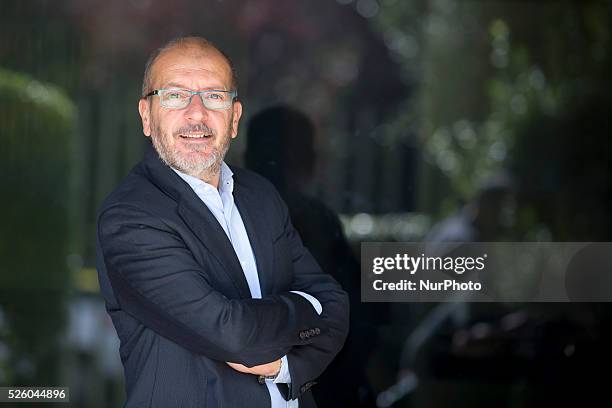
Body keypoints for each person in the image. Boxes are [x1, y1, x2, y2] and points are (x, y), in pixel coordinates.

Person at [95, 36, 349, 408]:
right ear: (146, 117)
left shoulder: (259, 195)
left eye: (214, 96)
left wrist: (283, 365)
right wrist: (310, 309)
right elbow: (234, 335)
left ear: (234, 117)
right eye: (176, 96)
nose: (196, 114)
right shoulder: (131, 217)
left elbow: (337, 306)